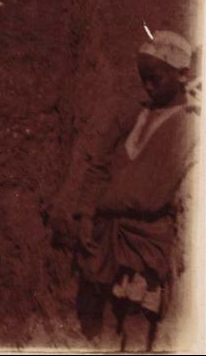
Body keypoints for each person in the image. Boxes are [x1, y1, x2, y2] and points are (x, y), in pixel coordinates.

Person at [74, 30, 199, 351]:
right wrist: (89, 212)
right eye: (144, 79)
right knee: (114, 313)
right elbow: (100, 165)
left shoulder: (189, 125)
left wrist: (106, 202)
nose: (148, 86)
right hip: (114, 234)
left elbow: (156, 192)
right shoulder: (135, 116)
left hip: (148, 240)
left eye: (156, 79)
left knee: (138, 319)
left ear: (182, 75)